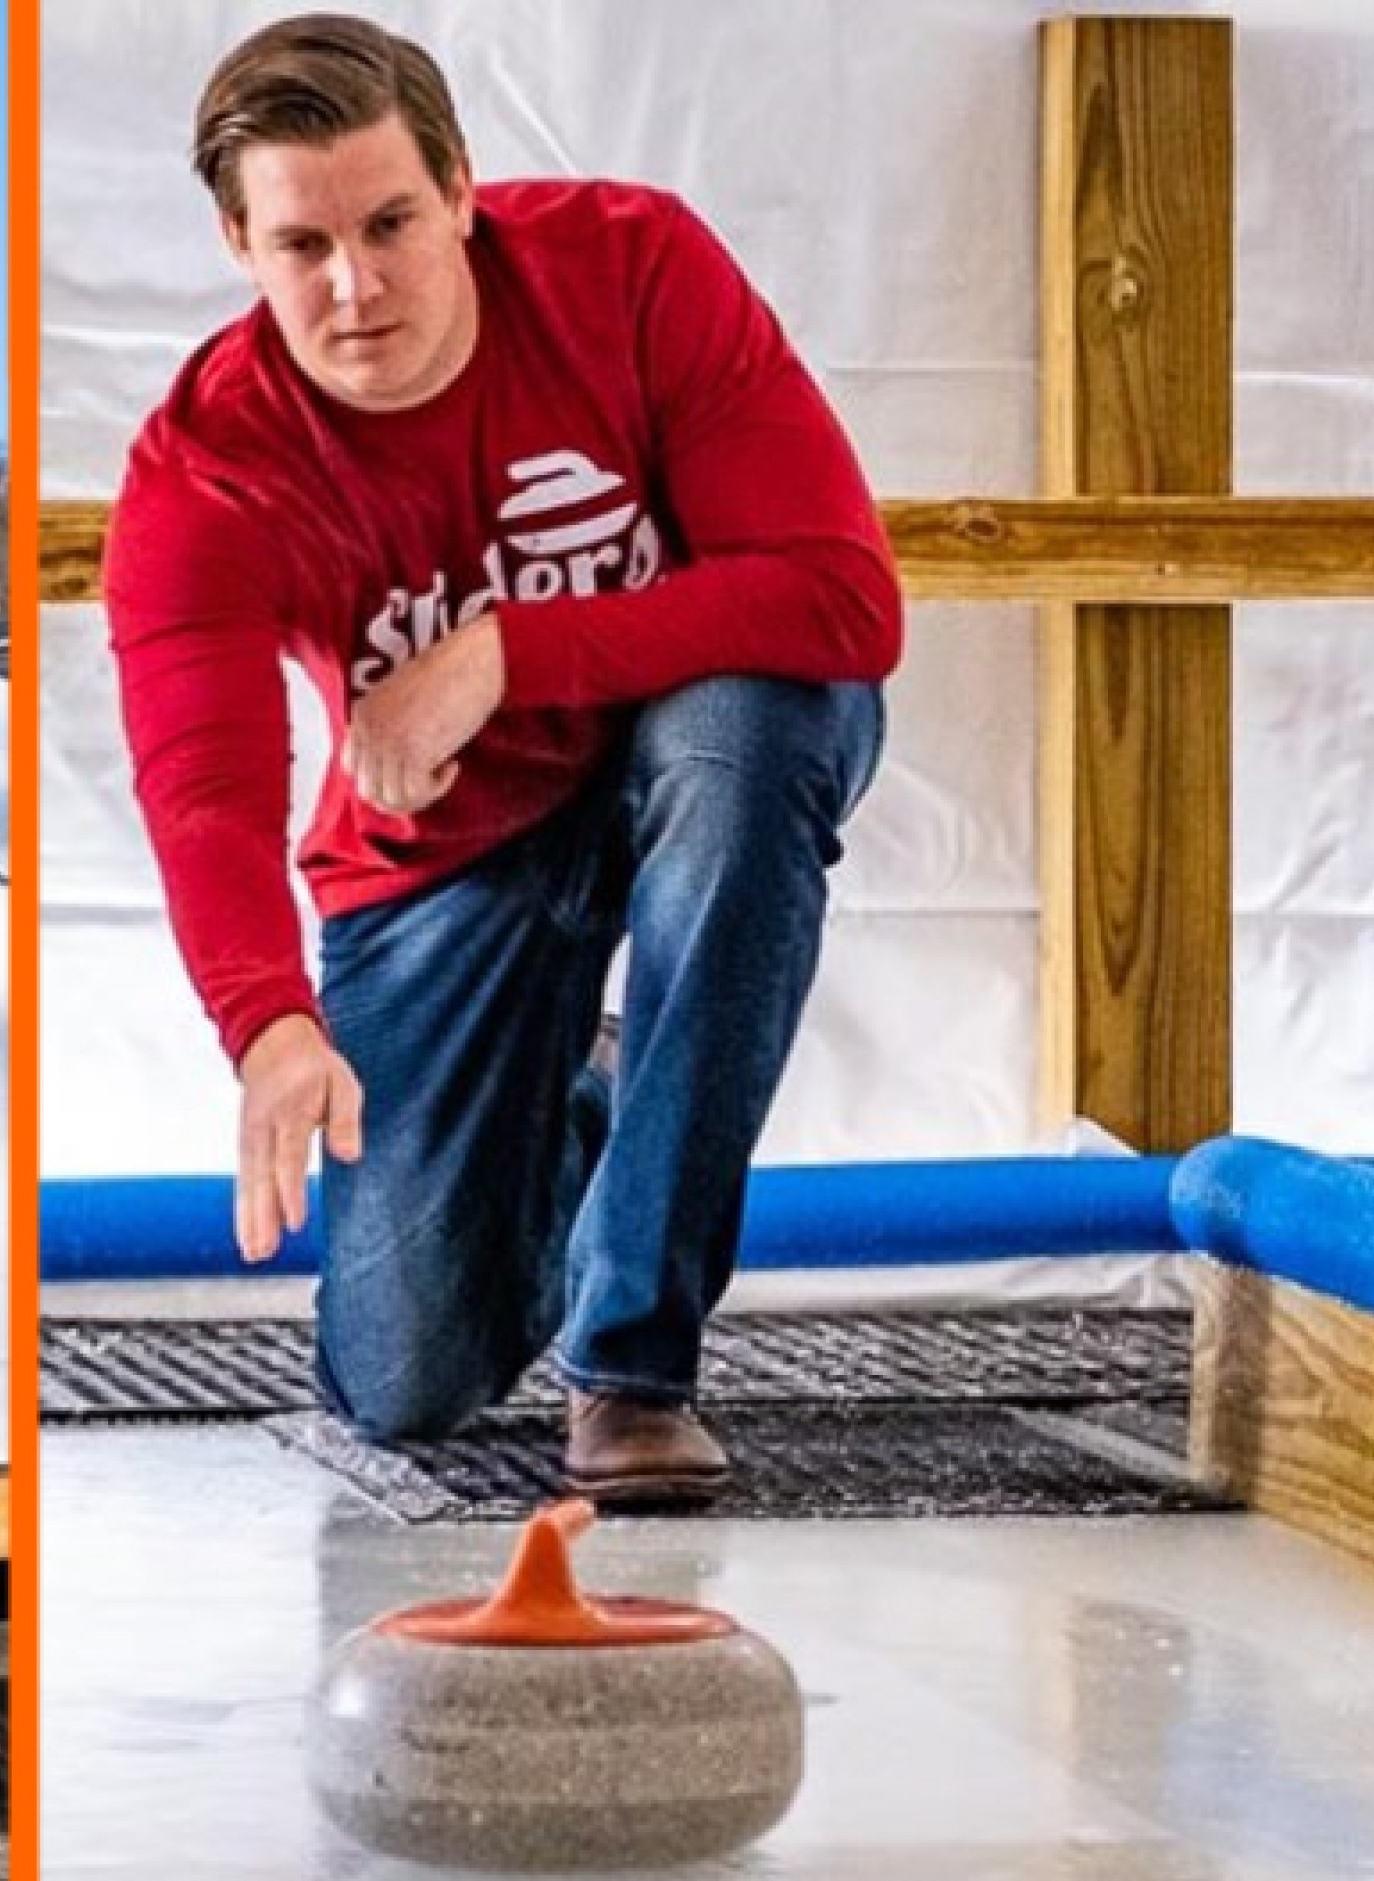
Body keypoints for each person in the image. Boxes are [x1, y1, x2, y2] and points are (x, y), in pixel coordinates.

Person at [103, 13, 900, 1503]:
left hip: (682, 756)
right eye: (304, 245)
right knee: (403, 1382)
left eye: (393, 222)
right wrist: (266, 1022)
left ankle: (630, 1368)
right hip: (447, 854)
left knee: (751, 735)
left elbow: (841, 595)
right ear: (237, 243)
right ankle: (594, 1101)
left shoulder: (632, 271)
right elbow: (203, 786)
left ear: (462, 188)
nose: (358, 286)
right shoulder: (206, 472)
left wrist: (502, 657)